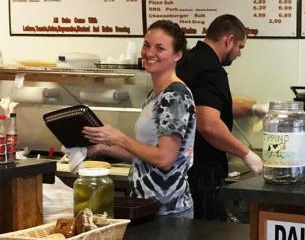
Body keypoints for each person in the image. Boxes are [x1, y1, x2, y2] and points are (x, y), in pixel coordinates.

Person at [82, 20, 196, 217]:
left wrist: (120, 138)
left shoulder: (175, 95)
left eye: (160, 48)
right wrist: (101, 146)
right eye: (146, 45)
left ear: (177, 55)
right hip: (145, 205)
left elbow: (165, 158)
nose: (149, 53)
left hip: (168, 211)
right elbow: (144, 156)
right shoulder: (156, 94)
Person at [176, 14, 264, 221]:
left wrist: (254, 108)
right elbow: (208, 124)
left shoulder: (189, 59)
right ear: (229, 40)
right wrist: (246, 154)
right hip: (202, 172)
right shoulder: (212, 70)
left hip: (180, 167)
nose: (239, 54)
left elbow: (211, 105)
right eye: (240, 47)